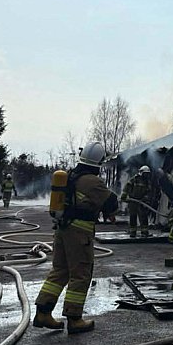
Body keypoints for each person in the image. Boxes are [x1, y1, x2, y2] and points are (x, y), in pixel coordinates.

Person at [33, 141, 117, 334]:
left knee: (60, 271)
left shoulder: (70, 175)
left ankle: (43, 312)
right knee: (81, 273)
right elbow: (111, 202)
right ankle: (74, 318)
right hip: (79, 234)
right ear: (99, 161)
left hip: (63, 229)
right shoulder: (92, 181)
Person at [120, 166, 154, 237]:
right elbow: (127, 187)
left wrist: (145, 199)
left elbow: (149, 192)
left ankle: (144, 232)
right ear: (141, 172)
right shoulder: (134, 179)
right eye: (145, 173)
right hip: (133, 201)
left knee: (144, 217)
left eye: (147, 174)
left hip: (142, 201)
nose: (147, 175)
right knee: (133, 217)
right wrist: (124, 196)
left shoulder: (147, 181)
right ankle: (133, 232)